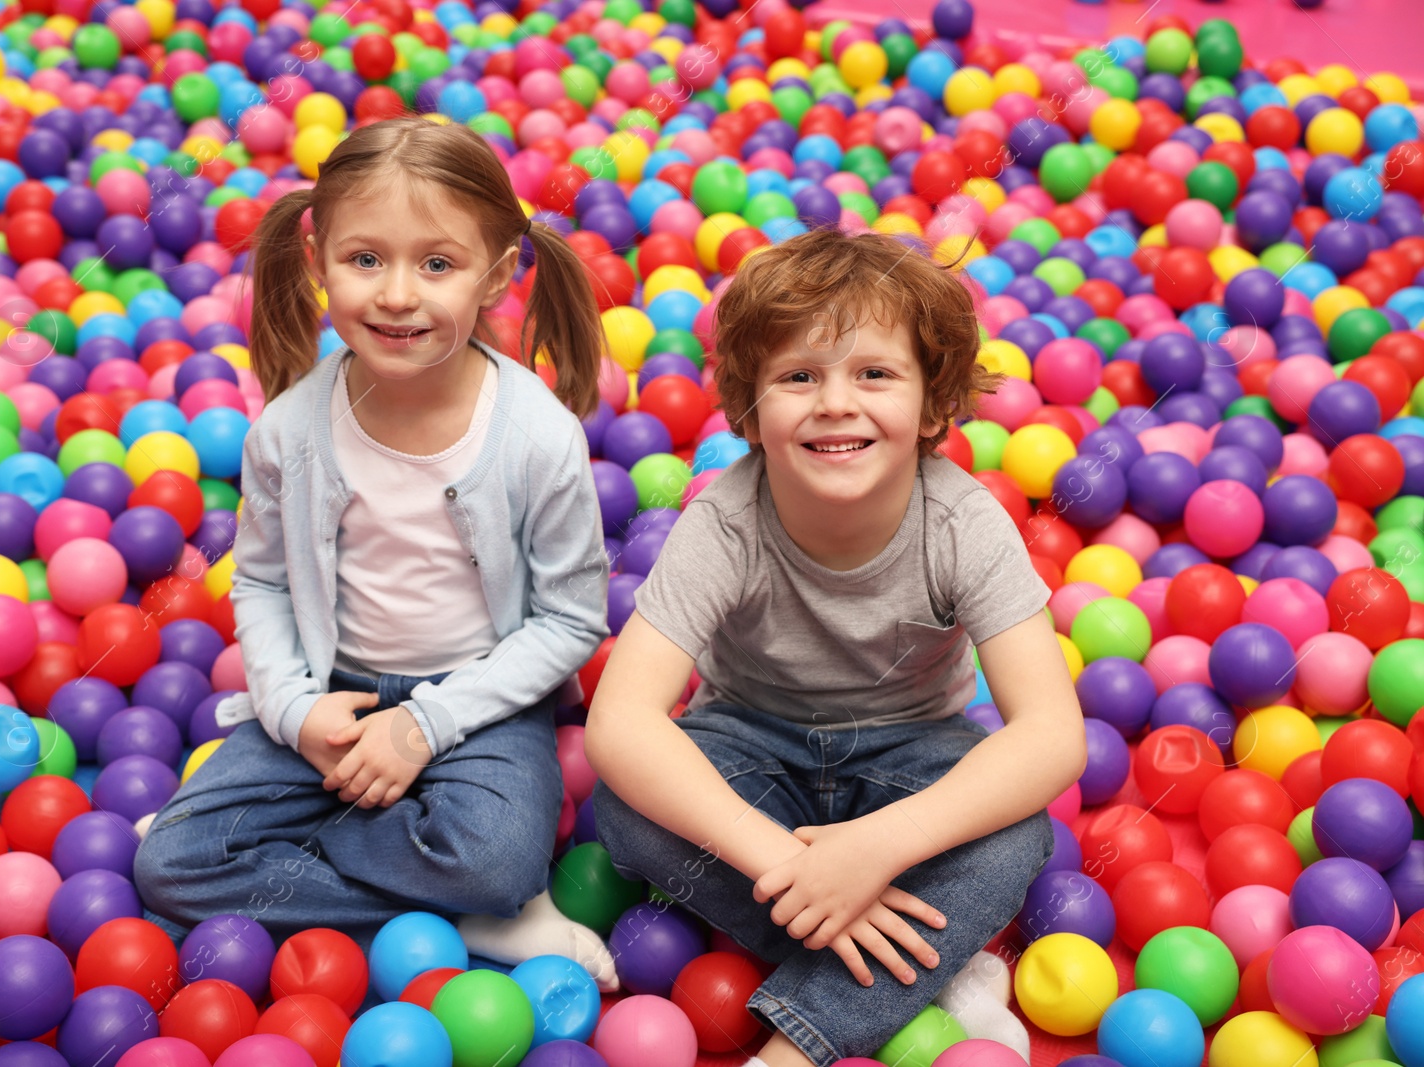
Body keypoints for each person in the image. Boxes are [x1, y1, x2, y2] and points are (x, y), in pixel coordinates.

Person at [134, 116, 618, 987]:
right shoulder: (289, 429)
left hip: (483, 703)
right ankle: (461, 907)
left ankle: (473, 889)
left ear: (497, 276)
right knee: (170, 865)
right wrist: (291, 712)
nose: (397, 294)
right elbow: (266, 584)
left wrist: (424, 725)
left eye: (437, 264)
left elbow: (571, 619)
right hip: (336, 696)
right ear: (318, 261)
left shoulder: (537, 435)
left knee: (500, 859)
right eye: (366, 260)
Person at [586, 227, 1087, 1064]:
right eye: (798, 377)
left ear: (933, 405)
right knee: (628, 811)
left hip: (911, 757)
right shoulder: (726, 519)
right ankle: (928, 967)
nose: (834, 402)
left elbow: (1050, 735)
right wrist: (785, 857)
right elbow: (621, 724)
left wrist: (878, 847)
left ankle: (797, 1041)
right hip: (751, 750)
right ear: (750, 407)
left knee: (1017, 835)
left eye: (874, 374)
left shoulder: (963, 521)